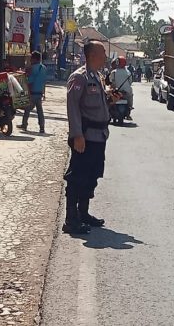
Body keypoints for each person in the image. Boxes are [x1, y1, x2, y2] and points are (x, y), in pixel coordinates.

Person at [64, 40, 119, 234]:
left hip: (99, 136)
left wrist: (110, 98)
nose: (105, 56)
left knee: (91, 176)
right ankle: (71, 219)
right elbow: (73, 108)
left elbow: (99, 102)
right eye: (103, 52)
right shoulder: (79, 78)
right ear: (92, 55)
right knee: (77, 177)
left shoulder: (98, 76)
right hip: (85, 137)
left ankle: (83, 213)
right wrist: (77, 135)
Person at [19, 51, 47, 133]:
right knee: (40, 111)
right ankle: (42, 127)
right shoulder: (44, 68)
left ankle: (24, 124)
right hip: (40, 92)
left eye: (31, 58)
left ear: (34, 59)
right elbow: (44, 81)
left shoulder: (32, 68)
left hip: (33, 92)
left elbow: (29, 81)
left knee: (27, 109)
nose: (30, 60)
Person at [108, 56, 134, 120]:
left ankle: (109, 113)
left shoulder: (113, 72)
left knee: (109, 100)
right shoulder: (128, 72)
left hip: (116, 92)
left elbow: (111, 81)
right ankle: (129, 109)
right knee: (130, 97)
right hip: (126, 92)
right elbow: (130, 82)